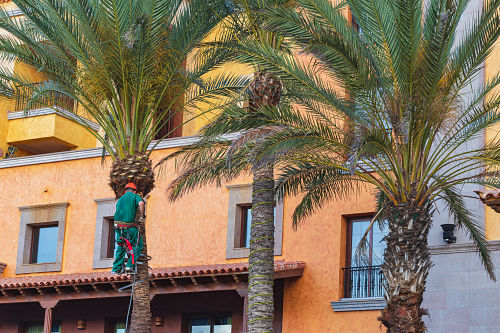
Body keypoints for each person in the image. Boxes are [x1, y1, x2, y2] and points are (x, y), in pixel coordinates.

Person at [111, 182, 145, 274]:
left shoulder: (120, 199)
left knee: (121, 245)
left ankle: (116, 268)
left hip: (117, 226)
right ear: (134, 191)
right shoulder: (135, 196)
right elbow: (141, 203)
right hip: (128, 226)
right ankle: (129, 266)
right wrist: (142, 216)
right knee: (138, 245)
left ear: (125, 190)